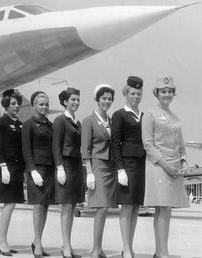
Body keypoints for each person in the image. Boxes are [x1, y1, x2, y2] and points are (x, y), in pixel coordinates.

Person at [142, 76, 189, 258]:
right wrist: (165, 164)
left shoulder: (175, 117)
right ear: (157, 93)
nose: (167, 94)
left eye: (170, 91)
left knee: (166, 209)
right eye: (163, 91)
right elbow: (148, 144)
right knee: (162, 207)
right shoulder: (150, 114)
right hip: (158, 166)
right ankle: (162, 252)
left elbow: (181, 144)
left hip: (174, 167)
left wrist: (184, 161)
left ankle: (160, 251)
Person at [111, 76, 146, 258]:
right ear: (126, 94)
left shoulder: (143, 115)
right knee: (126, 206)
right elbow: (115, 143)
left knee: (136, 207)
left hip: (141, 166)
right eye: (133, 93)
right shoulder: (120, 115)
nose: (136, 96)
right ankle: (125, 248)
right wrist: (120, 169)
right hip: (127, 165)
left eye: (139, 93)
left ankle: (129, 247)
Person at [81, 84, 117, 258]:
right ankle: (95, 249)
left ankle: (99, 248)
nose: (107, 101)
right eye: (104, 98)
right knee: (101, 207)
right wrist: (89, 171)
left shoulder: (111, 121)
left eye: (110, 99)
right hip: (97, 166)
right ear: (97, 99)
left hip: (110, 167)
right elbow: (85, 148)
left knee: (106, 208)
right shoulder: (89, 120)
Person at [52, 87, 84, 258]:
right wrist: (59, 168)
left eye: (78, 100)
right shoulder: (60, 120)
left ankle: (69, 245)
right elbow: (55, 145)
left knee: (72, 207)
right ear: (65, 102)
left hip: (76, 166)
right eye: (73, 100)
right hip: (65, 165)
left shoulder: (77, 123)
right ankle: (65, 246)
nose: (76, 103)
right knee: (66, 207)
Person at [22, 91, 55, 258]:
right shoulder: (28, 124)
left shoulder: (50, 125)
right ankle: (37, 242)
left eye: (46, 104)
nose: (44, 107)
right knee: (38, 205)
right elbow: (26, 150)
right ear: (34, 105)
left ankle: (38, 241)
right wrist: (32, 170)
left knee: (46, 206)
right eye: (41, 104)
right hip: (36, 169)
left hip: (49, 169)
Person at [0, 88, 25, 256]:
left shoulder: (19, 124)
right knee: (9, 204)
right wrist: (2, 166)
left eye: (18, 103)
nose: (16, 106)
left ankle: (3, 239)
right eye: (13, 104)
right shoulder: (1, 122)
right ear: (6, 105)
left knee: (12, 204)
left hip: (17, 168)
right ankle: (1, 240)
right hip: (7, 168)